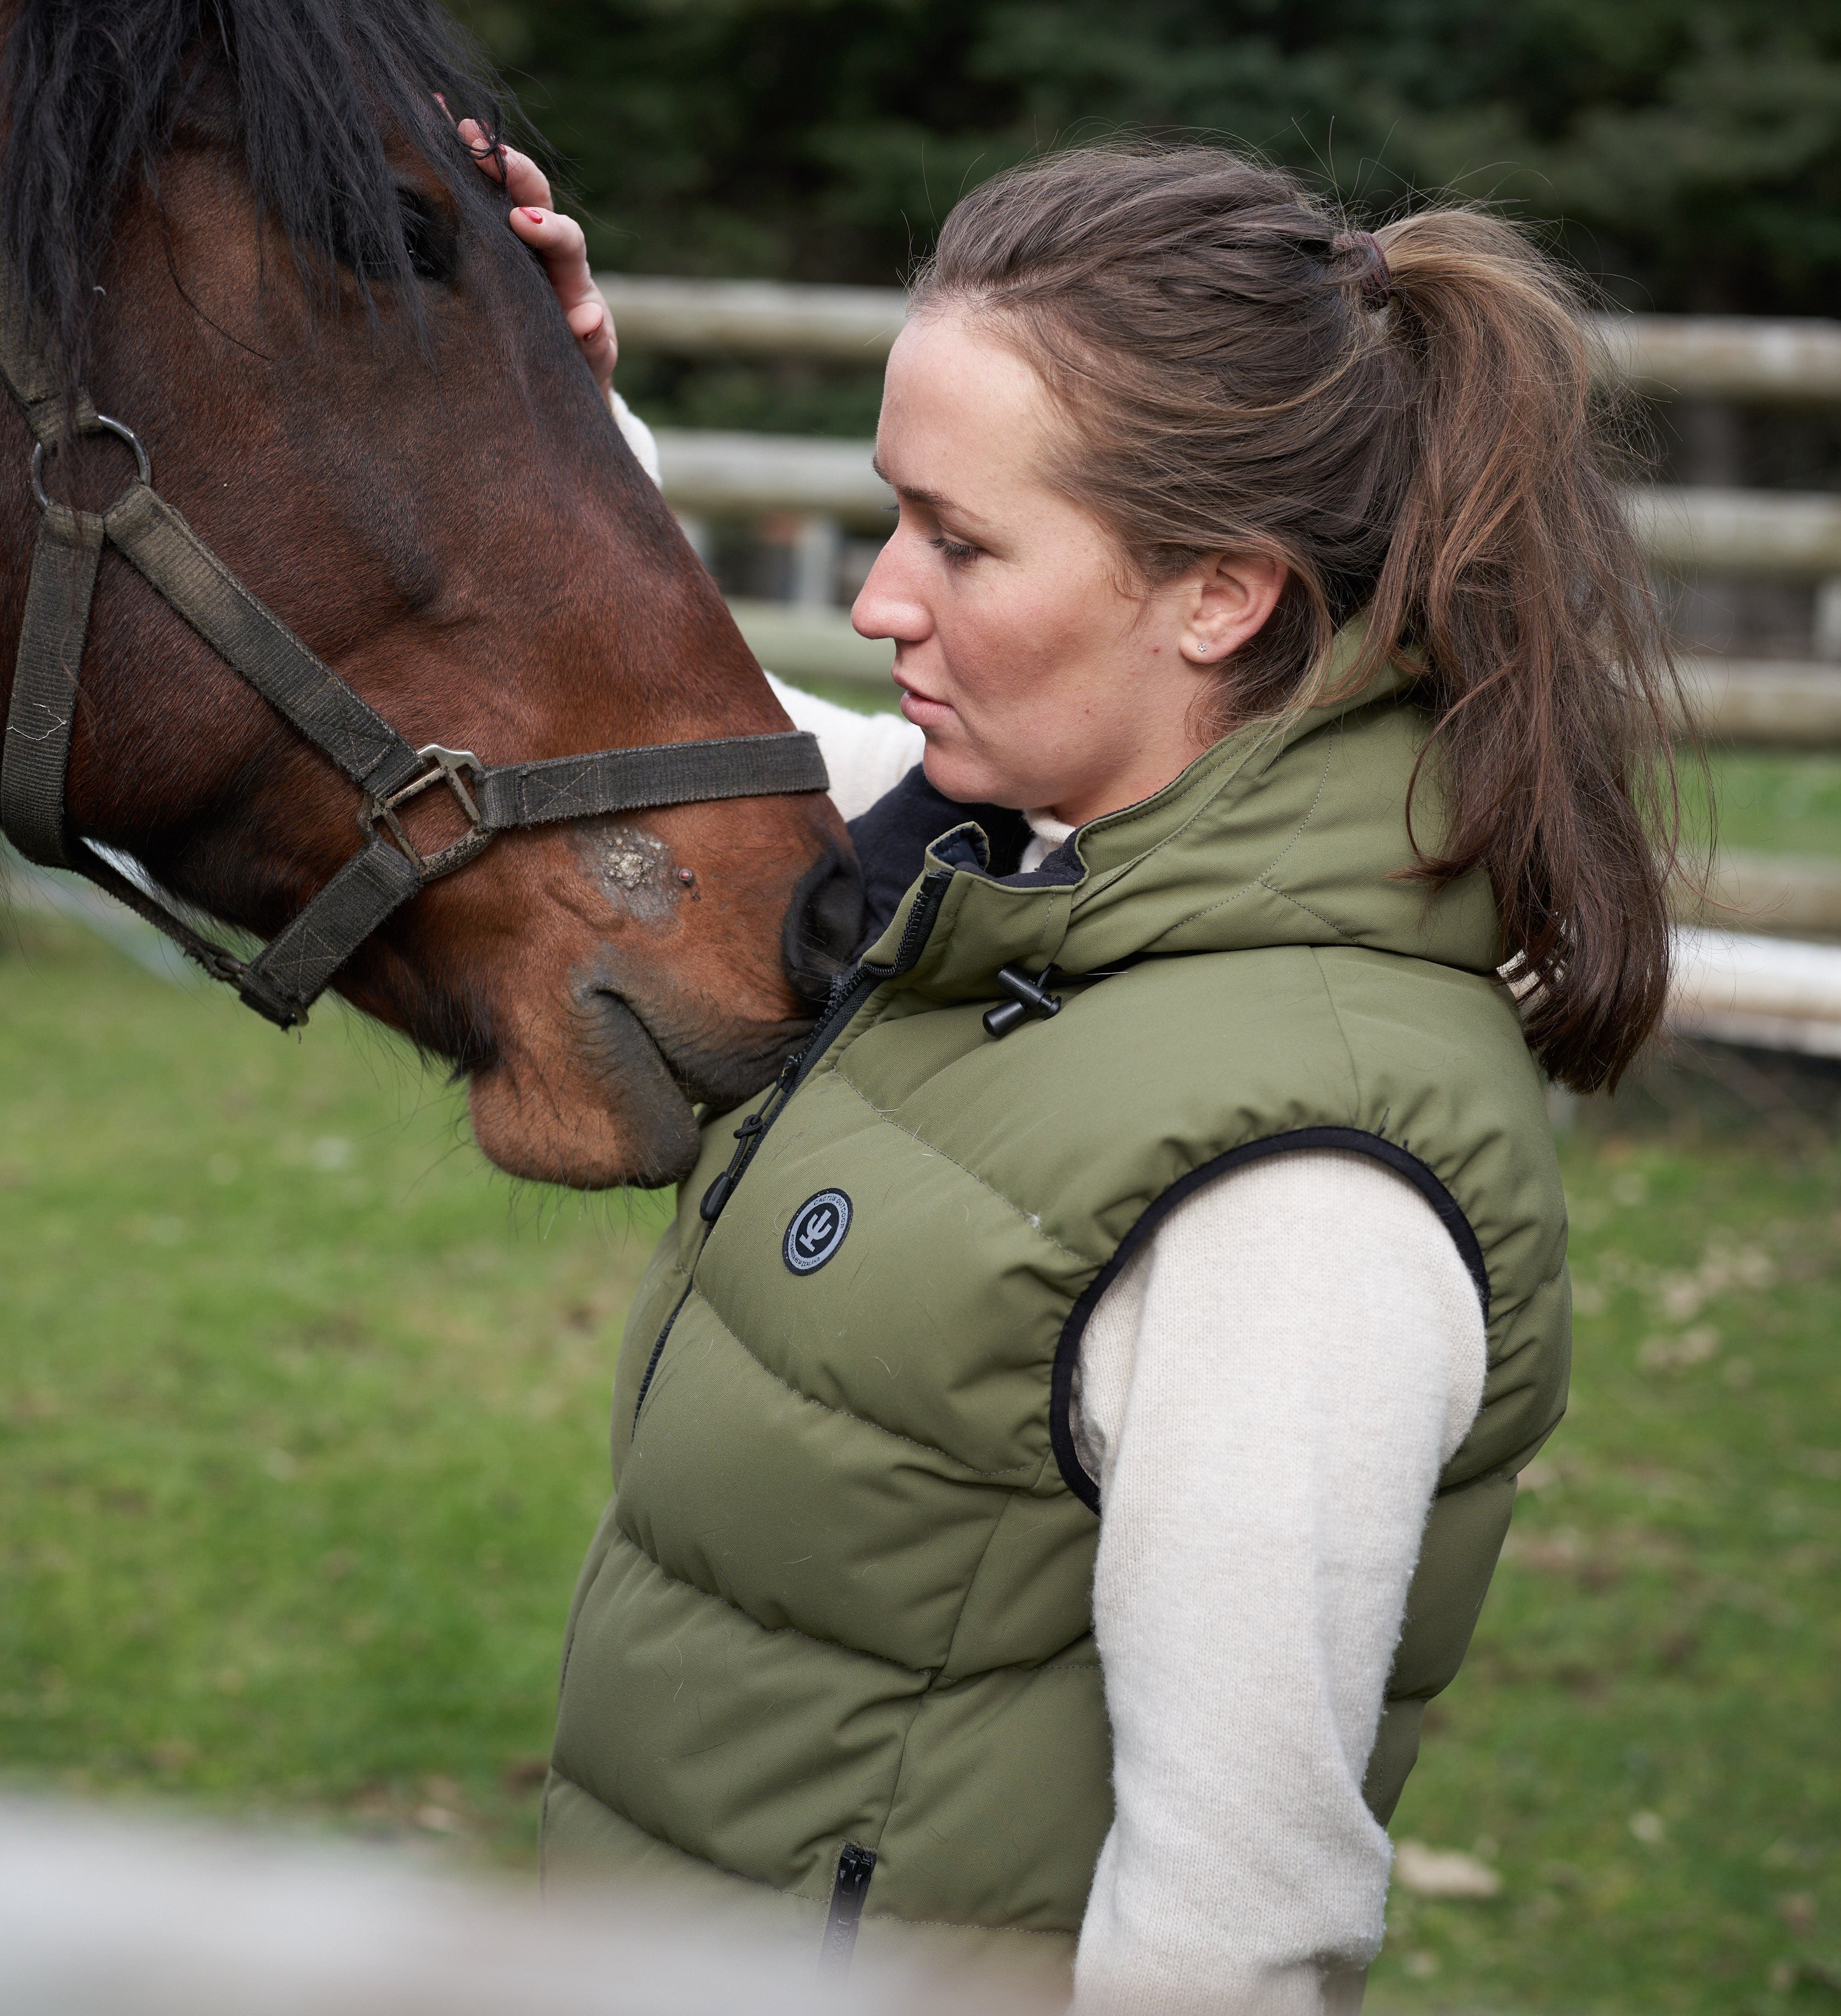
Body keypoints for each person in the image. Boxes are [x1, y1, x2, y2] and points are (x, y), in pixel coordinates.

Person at [473, 132, 1676, 2011]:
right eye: (896, 515)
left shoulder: (1298, 1197)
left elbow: (1232, 1939)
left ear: (1219, 595)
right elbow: (685, 752)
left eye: (960, 541)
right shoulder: (1025, 877)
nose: (881, 597)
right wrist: (547, 422)